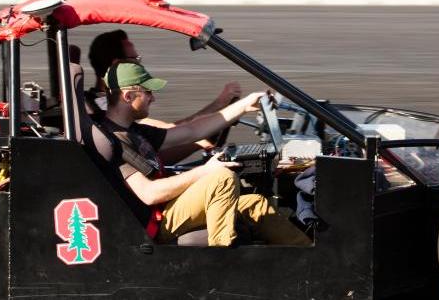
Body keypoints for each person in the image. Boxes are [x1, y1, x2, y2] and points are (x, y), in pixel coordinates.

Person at [88, 61, 310, 247]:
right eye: (148, 92)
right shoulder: (113, 140)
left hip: (169, 209)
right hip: (157, 220)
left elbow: (192, 130)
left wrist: (243, 105)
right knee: (221, 178)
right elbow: (149, 194)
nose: (153, 98)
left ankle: (315, 263)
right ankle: (226, 264)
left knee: (254, 205)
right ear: (128, 96)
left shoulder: (134, 130)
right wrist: (205, 171)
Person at [86, 29, 240, 162]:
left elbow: (166, 131)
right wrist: (219, 104)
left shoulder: (104, 105)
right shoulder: (107, 110)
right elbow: (174, 132)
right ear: (118, 65)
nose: (140, 63)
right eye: (136, 59)